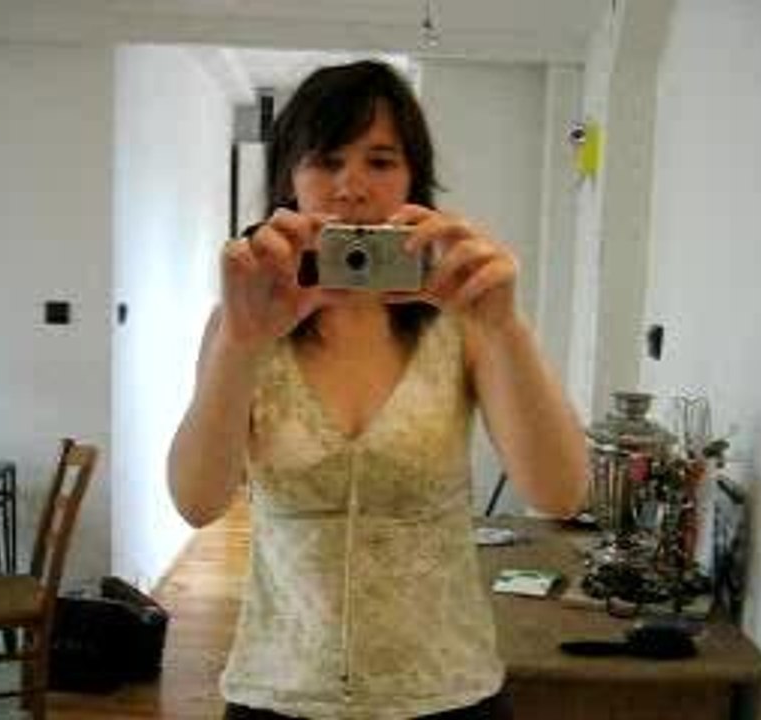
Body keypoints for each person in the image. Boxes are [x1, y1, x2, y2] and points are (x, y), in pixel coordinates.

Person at [168, 59, 588, 719]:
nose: (351, 186)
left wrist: (507, 328)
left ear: (414, 178)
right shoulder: (243, 323)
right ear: (288, 179)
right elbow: (197, 502)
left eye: (381, 161)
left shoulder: (465, 321)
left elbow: (560, 493)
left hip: (447, 692)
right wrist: (239, 345)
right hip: (279, 691)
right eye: (326, 160)